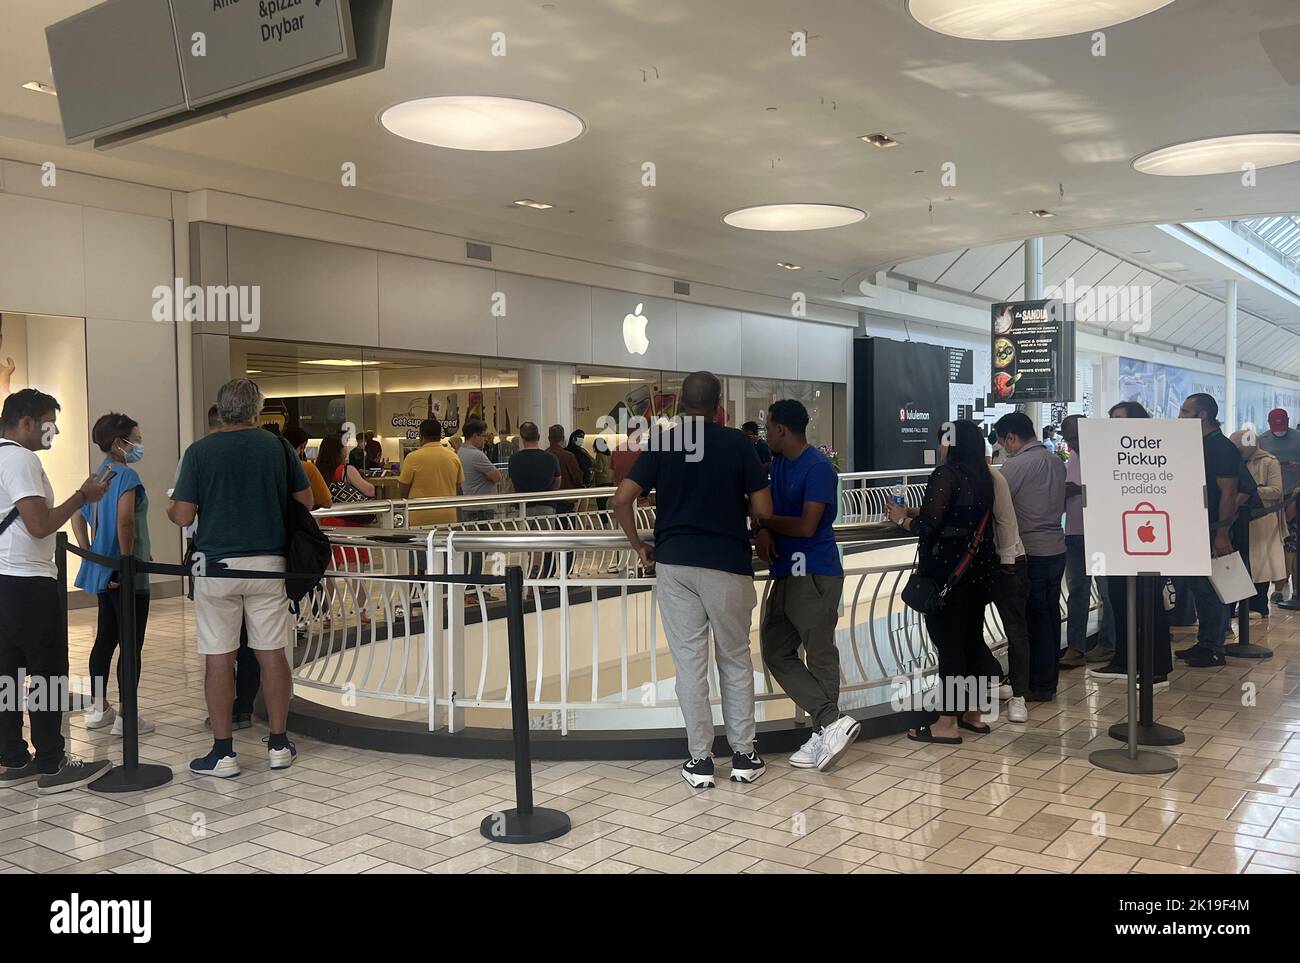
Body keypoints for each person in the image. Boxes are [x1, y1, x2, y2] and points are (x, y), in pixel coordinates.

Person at [614, 371, 772, 788]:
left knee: (690, 663)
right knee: (735, 658)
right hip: (726, 562)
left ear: (681, 403)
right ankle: (743, 756)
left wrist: (639, 546)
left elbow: (622, 498)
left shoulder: (663, 442)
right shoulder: (739, 443)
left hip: (674, 562)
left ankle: (700, 761)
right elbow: (765, 507)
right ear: (720, 407)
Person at [169, 378, 312, 777]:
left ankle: (223, 752)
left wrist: (172, 507)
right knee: (272, 654)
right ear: (257, 410)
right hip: (269, 564)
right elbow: (306, 501)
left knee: (219, 657)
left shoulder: (199, 452)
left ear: (221, 408)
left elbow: (182, 515)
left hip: (215, 568)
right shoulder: (279, 448)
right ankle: (279, 745)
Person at [0, 389, 114, 794]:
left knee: (8, 673)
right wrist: (82, 497)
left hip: (4, 580)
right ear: (27, 422)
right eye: (49, 422)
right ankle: (52, 762)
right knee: (47, 672)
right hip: (29, 582)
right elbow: (39, 523)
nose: (56, 430)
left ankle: (12, 756)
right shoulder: (20, 458)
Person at [755, 399, 858, 771]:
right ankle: (830, 723)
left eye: (768, 427)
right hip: (787, 573)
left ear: (782, 429)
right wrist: (764, 526)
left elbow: (805, 526)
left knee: (819, 653)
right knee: (775, 650)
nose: (765, 433)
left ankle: (826, 730)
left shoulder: (817, 468)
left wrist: (767, 521)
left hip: (814, 574)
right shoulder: (779, 464)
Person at [887, 420, 998, 743]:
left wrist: (901, 519)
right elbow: (959, 513)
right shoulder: (982, 476)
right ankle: (974, 714)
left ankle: (946, 723)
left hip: (947, 576)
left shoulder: (945, 474)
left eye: (943, 441)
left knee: (949, 647)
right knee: (972, 641)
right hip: (976, 573)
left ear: (952, 444)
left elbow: (929, 526)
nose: (939, 447)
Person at [71, 412, 155, 736]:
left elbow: (78, 516)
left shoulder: (98, 475)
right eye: (136, 437)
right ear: (121, 443)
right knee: (131, 644)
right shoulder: (127, 477)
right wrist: (126, 558)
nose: (139, 443)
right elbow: (125, 522)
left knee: (105, 638)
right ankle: (126, 717)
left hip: (103, 571)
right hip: (126, 572)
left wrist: (89, 551)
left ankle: (98, 709)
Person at [1089, 400, 1172, 687]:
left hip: (1146, 542)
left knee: (1147, 602)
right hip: (1115, 539)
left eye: (1119, 419)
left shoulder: (1154, 452)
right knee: (1120, 598)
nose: (1113, 425)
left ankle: (1156, 667)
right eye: (1111, 419)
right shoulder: (1110, 455)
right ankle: (1125, 661)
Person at [994, 412, 1066, 701]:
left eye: (1003, 442)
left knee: (1031, 621)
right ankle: (1049, 681)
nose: (1004, 448)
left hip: (1031, 552)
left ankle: (1036, 684)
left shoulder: (1017, 465)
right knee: (1049, 616)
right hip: (1057, 549)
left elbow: (995, 500)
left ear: (1011, 437)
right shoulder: (1056, 461)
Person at [1175, 393, 1240, 668]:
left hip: (1213, 528)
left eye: (1185, 412)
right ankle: (1205, 641)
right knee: (1199, 586)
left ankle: (1214, 646)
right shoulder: (1200, 445)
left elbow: (1229, 492)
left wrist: (1222, 533)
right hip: (1197, 526)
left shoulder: (1221, 447)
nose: (1179, 417)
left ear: (1202, 415)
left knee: (1211, 588)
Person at [1058, 415, 1115, 669]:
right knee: (1077, 591)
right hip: (1075, 533)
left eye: (1074, 437)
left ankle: (1109, 643)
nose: (1071, 443)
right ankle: (1075, 646)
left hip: (1101, 532)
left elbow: (1112, 488)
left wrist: (1079, 489)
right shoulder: (1073, 458)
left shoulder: (1105, 456)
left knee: (1106, 592)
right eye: (1068, 438)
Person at [987, 458, 1030, 723]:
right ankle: (995, 676)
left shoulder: (994, 479)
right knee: (964, 628)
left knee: (1016, 630)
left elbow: (1004, 522)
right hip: (984, 563)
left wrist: (1007, 564)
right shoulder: (960, 476)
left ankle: (1019, 695)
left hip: (1008, 562)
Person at [316, 433, 376, 618]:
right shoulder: (346, 470)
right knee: (356, 571)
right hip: (350, 526)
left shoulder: (318, 470)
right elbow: (369, 490)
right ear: (339, 450)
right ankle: (359, 611)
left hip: (327, 525)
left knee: (329, 573)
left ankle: (324, 614)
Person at [1231, 430, 1285, 620]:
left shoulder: (1269, 461)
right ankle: (1234, 604)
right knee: (1239, 562)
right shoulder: (1234, 461)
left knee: (1260, 565)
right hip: (1238, 519)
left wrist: (1251, 491)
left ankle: (1258, 605)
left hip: (1262, 520)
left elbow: (1277, 491)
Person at [509, 422, 562, 578]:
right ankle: (537, 578)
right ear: (538, 436)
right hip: (546, 506)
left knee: (525, 544)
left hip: (523, 507)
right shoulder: (550, 458)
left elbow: (512, 482)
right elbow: (558, 481)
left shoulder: (514, 459)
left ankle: (524, 578)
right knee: (541, 544)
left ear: (522, 438)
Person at [1259, 408, 1300, 602]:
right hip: (1273, 499)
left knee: (1292, 544)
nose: (1279, 431)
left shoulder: (1297, 438)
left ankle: (1293, 589)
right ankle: (1277, 587)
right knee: (1275, 543)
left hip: (1295, 495)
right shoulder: (1262, 440)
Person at [459, 418, 503, 580]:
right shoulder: (476, 455)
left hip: (469, 505)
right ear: (475, 436)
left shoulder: (461, 452)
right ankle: (474, 586)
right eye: (484, 436)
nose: (486, 439)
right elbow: (497, 476)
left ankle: (472, 585)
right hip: (480, 508)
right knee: (478, 550)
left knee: (473, 550)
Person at [399, 419, 463, 526]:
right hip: (448, 517)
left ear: (421, 436)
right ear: (440, 435)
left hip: (419, 516)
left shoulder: (413, 457)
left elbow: (403, 488)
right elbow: (458, 487)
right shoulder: (453, 457)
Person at [284, 426, 332, 511]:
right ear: (303, 445)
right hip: (297, 519)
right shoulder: (307, 468)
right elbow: (326, 502)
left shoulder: (273, 466)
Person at [547, 424, 583, 516]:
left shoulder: (544, 455)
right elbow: (577, 478)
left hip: (548, 500)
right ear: (563, 438)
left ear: (549, 438)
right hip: (566, 499)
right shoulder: (568, 456)